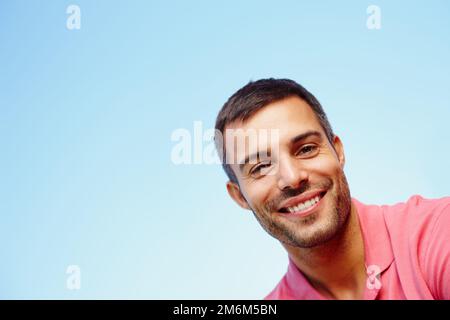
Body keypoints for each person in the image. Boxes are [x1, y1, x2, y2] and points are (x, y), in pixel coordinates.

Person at [214, 78, 450, 300]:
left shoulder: (436, 232)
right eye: (261, 167)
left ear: (338, 151)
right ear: (239, 196)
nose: (293, 178)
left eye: (306, 149)